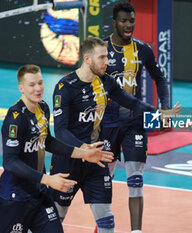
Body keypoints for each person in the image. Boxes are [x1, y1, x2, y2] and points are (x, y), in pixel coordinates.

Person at [50, 37, 180, 233]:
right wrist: (83, 149)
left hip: (97, 161)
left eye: (107, 57)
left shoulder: (106, 81)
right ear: (87, 59)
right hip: (70, 160)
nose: (107, 62)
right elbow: (59, 130)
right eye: (102, 57)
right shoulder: (65, 87)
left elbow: (132, 103)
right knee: (55, 219)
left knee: (107, 222)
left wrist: (157, 113)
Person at [0, 64, 113, 233]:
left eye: (40, 83)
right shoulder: (15, 119)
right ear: (21, 88)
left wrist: (84, 153)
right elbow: (9, 163)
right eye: (32, 85)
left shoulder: (43, 108)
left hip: (39, 195)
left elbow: (49, 142)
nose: (38, 89)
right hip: (15, 197)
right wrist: (47, 179)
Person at [100, 1, 170, 232]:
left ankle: (136, 230)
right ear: (114, 23)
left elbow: (160, 78)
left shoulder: (142, 49)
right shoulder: (101, 50)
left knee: (136, 181)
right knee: (103, 182)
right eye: (124, 21)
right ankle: (103, 227)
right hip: (107, 124)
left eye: (132, 20)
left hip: (135, 122)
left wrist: (165, 108)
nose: (129, 25)